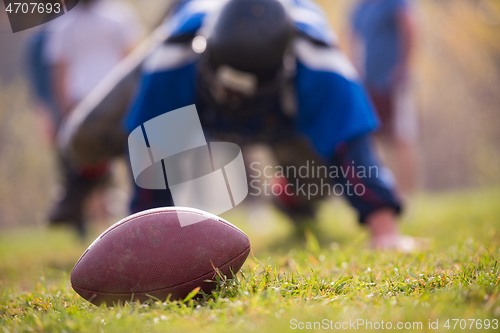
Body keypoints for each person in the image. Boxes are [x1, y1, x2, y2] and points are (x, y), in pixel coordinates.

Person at [125, 0, 411, 250]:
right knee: (90, 135)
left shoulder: (322, 67)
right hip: (189, 87)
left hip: (286, 123)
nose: (232, 99)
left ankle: (290, 196)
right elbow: (152, 145)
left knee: (313, 184)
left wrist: (385, 232)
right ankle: (81, 180)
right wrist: (148, 234)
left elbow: (352, 150)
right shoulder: (175, 55)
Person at [43, 0, 143, 236]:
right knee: (93, 167)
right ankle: (102, 228)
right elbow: (60, 70)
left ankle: (125, 219)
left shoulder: (117, 16)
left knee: (107, 165)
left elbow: (131, 56)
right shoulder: (64, 24)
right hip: (88, 103)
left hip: (113, 102)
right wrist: (66, 109)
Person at [350, 0, 418, 194]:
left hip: (394, 81)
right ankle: (382, 191)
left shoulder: (395, 2)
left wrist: (403, 66)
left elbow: (410, 28)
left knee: (401, 136)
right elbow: (353, 39)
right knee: (371, 138)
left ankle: (407, 194)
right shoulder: (360, 8)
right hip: (368, 82)